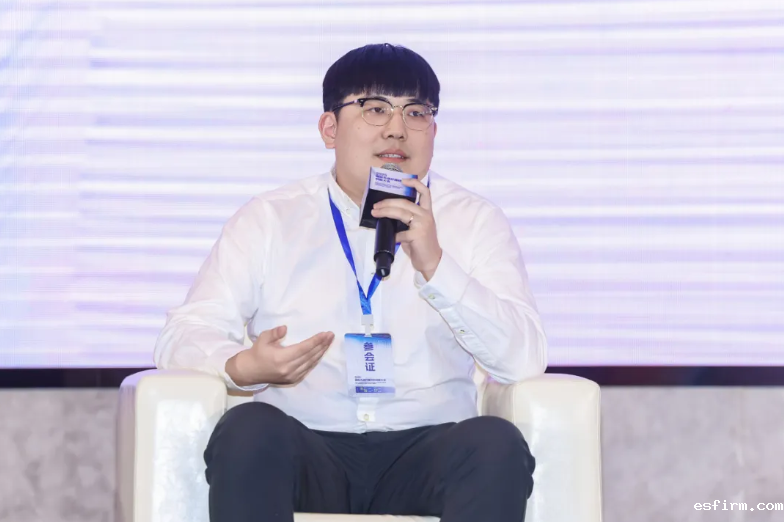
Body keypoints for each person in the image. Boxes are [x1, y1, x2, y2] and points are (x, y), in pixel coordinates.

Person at [154, 43, 548, 522]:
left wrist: (436, 265)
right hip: (305, 449)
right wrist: (243, 366)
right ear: (329, 128)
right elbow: (183, 333)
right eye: (375, 108)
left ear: (434, 130)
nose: (397, 128)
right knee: (248, 429)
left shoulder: (475, 221)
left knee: (495, 443)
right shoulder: (270, 219)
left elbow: (524, 359)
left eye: (416, 112)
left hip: (427, 453)